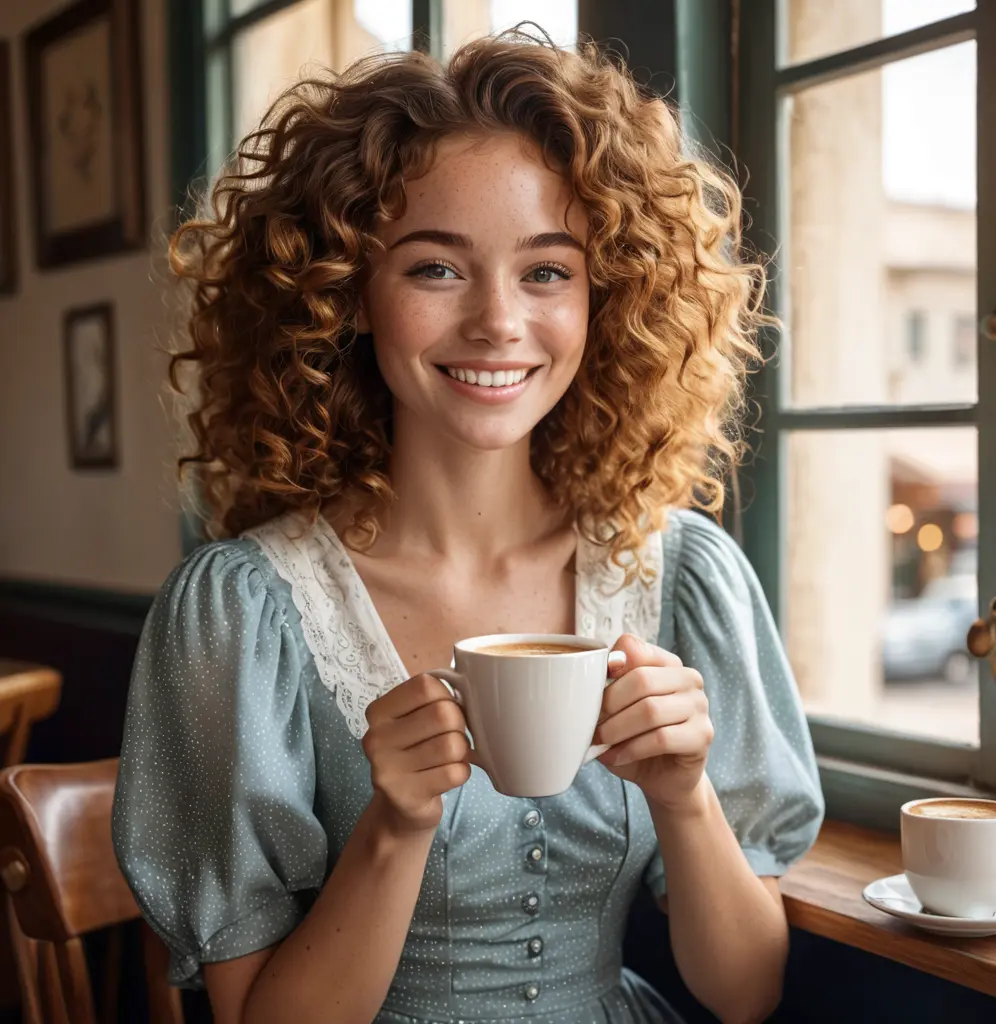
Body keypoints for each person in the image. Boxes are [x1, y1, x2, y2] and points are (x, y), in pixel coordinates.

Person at [113, 29, 824, 1024]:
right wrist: (394, 824)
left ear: (601, 297)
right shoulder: (240, 612)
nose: (497, 321)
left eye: (546, 271)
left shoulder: (685, 572)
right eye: (436, 269)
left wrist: (684, 795)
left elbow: (745, 992)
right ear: (347, 290)